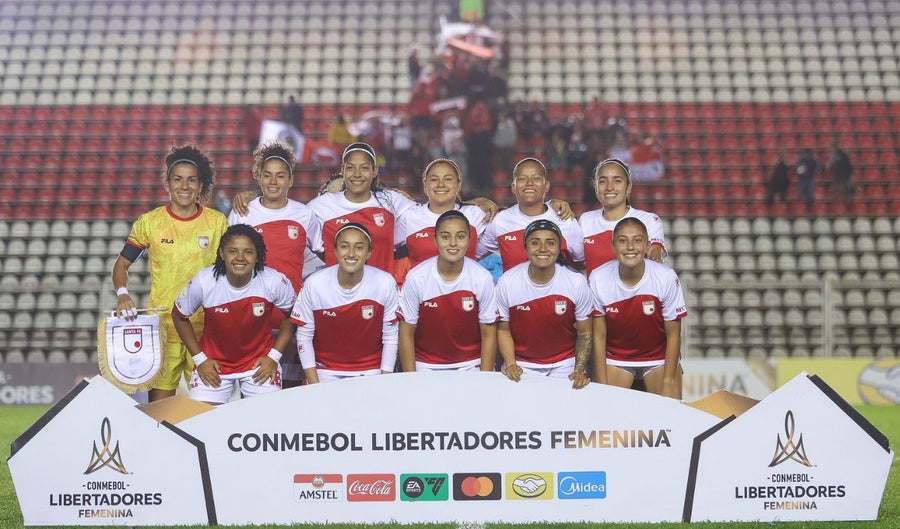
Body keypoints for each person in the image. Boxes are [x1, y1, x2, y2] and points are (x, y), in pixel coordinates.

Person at [112, 144, 228, 402]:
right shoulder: (150, 223)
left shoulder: (217, 222)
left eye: (191, 180)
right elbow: (121, 265)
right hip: (163, 329)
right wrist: (122, 294)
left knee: (209, 411)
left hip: (207, 332)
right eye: (178, 179)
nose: (184, 186)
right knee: (161, 411)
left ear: (200, 185)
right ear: (167, 183)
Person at [227, 142, 324, 387]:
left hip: (292, 318)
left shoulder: (305, 215)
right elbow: (228, 262)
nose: (273, 181)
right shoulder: (243, 213)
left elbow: (326, 255)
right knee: (256, 387)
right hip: (252, 318)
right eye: (267, 175)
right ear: (258, 177)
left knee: (291, 388)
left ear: (290, 180)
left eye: (280, 175)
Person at [171, 224, 297, 404]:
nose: (240, 258)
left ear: (258, 255)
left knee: (267, 419)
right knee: (202, 420)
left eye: (248, 252)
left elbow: (293, 315)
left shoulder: (273, 281)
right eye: (232, 251)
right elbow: (178, 316)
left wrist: (274, 357)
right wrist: (200, 360)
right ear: (222, 254)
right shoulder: (204, 282)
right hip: (214, 366)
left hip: (259, 365)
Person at [589, 217, 687, 399]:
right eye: (622, 241)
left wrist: (668, 383)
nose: (630, 247)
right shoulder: (598, 278)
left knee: (668, 411)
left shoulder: (665, 277)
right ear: (613, 246)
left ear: (648, 245)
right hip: (617, 358)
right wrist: (601, 385)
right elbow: (599, 336)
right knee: (606, 412)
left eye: (637, 240)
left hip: (658, 358)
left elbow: (674, 335)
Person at [290, 223, 399, 383]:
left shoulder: (385, 283)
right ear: (335, 250)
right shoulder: (314, 284)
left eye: (359, 247)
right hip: (324, 369)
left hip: (371, 369)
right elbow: (304, 336)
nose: (351, 253)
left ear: (369, 252)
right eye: (344, 246)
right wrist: (314, 385)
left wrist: (385, 380)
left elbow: (390, 336)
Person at [495, 220, 593, 389]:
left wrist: (579, 369)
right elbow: (503, 330)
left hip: (564, 363)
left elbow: (584, 332)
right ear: (525, 247)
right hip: (521, 363)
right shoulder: (507, 282)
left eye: (550, 243)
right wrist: (510, 364)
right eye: (535, 243)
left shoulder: (576, 281)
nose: (542, 249)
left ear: (559, 247)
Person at [398, 210, 498, 372]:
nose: (453, 243)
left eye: (460, 237)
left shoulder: (483, 278)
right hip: (426, 365)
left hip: (471, 365)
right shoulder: (416, 277)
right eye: (445, 237)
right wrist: (411, 378)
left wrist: (485, 378)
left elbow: (489, 334)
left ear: (469, 240)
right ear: (435, 240)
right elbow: (406, 333)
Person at [476, 157, 584, 272]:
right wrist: (474, 202)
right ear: (513, 187)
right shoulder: (500, 220)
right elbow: (473, 255)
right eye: (522, 179)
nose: (529, 183)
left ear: (546, 186)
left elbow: (581, 263)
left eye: (536, 178)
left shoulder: (565, 219)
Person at [578, 158, 666, 277]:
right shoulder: (585, 220)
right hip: (594, 289)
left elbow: (655, 255)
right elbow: (574, 261)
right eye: (603, 181)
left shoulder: (648, 220)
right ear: (595, 186)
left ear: (628, 187)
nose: (609, 187)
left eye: (617, 181)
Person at [395, 158, 488, 270]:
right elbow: (385, 248)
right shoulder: (409, 217)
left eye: (448, 179)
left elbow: (493, 243)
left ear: (459, 185)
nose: (441, 184)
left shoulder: (475, 214)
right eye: (434, 179)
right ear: (425, 185)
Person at [827, 139, 855, 204]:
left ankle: (842, 201)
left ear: (834, 147)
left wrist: (828, 165)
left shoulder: (837, 155)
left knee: (842, 188)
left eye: (830, 148)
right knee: (845, 187)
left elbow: (830, 165)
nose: (830, 150)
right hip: (845, 174)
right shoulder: (843, 153)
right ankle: (845, 201)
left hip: (841, 175)